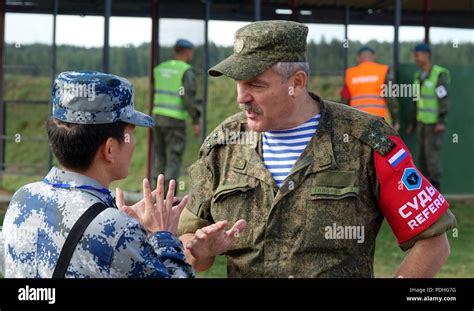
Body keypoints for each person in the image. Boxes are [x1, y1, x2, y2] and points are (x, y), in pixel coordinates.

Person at [177, 20, 457, 278]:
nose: (241, 98)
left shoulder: (367, 140)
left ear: (296, 83)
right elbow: (190, 246)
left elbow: (432, 240)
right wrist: (198, 251)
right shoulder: (223, 144)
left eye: (255, 85)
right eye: (238, 84)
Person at [1, 71, 194, 278]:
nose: (134, 144)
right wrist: (163, 236)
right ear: (109, 149)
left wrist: (112, 216)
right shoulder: (118, 229)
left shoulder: (22, 199)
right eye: (132, 135)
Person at [152, 39, 201, 189]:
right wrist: (195, 120)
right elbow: (187, 97)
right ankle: (168, 196)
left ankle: (156, 193)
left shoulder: (159, 69)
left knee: (159, 155)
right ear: (187, 52)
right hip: (175, 120)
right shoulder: (185, 71)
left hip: (157, 118)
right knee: (174, 157)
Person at [406, 43, 450, 191]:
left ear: (426, 55)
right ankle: (426, 193)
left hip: (433, 125)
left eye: (417, 55)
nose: (415, 59)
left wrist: (441, 121)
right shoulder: (418, 76)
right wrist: (412, 123)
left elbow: (443, 99)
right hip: (421, 123)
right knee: (421, 160)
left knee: (432, 159)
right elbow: (416, 101)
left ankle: (437, 193)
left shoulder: (439, 74)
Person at [341, 46, 399, 130]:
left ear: (358, 58)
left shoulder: (350, 74)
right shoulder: (382, 71)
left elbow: (344, 101)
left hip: (356, 121)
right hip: (378, 120)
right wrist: (395, 121)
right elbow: (391, 100)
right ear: (373, 56)